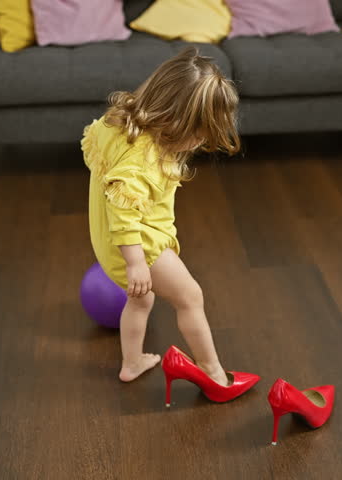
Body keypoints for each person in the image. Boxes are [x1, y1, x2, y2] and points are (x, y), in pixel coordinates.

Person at [82, 47, 259, 402]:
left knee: (142, 301)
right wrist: (135, 263)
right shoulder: (142, 159)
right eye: (198, 134)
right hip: (138, 245)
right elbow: (123, 212)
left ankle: (132, 362)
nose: (200, 143)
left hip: (109, 242)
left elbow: (99, 159)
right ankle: (211, 372)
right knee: (191, 296)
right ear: (175, 119)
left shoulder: (118, 124)